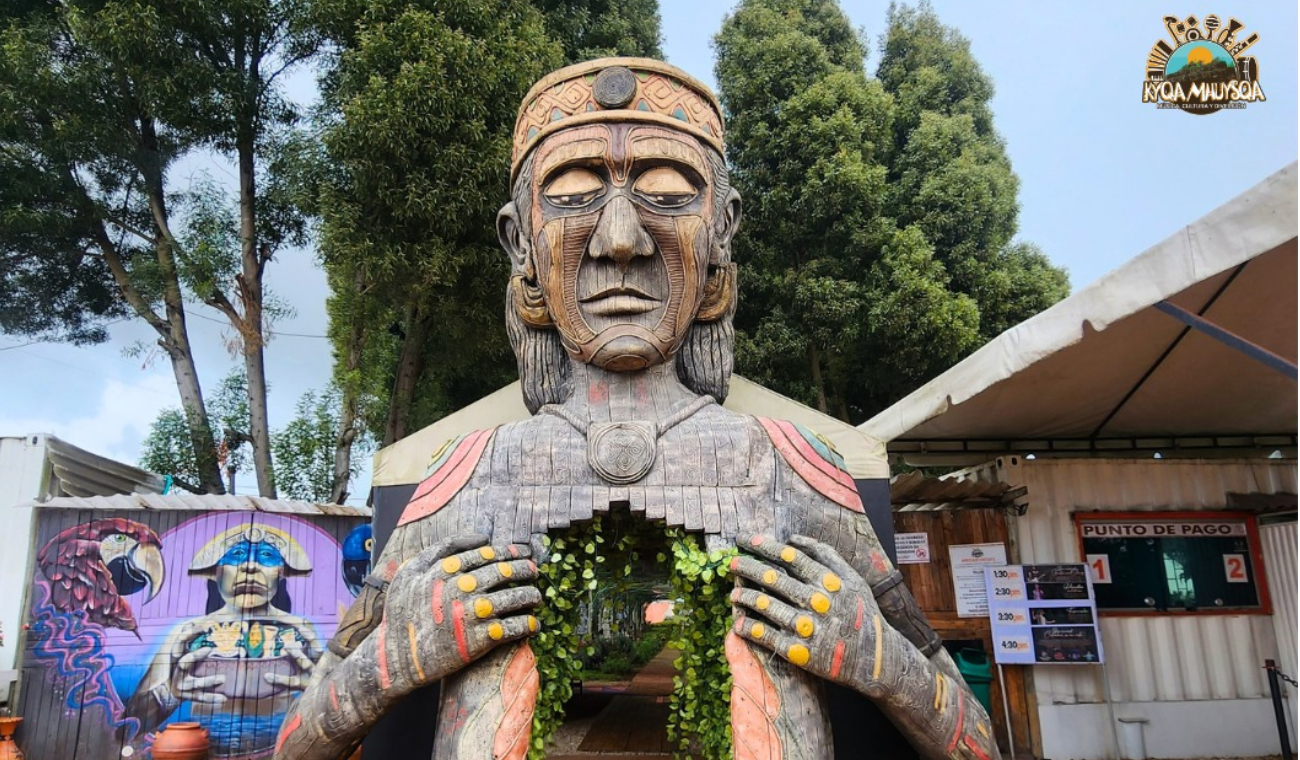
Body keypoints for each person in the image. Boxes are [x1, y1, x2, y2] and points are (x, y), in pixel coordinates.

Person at [274, 57, 1000, 760]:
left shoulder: (798, 468)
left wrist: (883, 662)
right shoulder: (464, 474)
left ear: (722, 231)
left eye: (667, 190)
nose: (621, 239)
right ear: (519, 241)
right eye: (571, 194)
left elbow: (979, 741)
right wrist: (391, 663)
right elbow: (295, 741)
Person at [126, 525, 319, 759]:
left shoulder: (300, 631)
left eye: (266, 556)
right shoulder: (189, 633)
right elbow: (128, 728)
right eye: (236, 555)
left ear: (280, 571)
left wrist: (320, 688)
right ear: (216, 571)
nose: (250, 567)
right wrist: (170, 692)